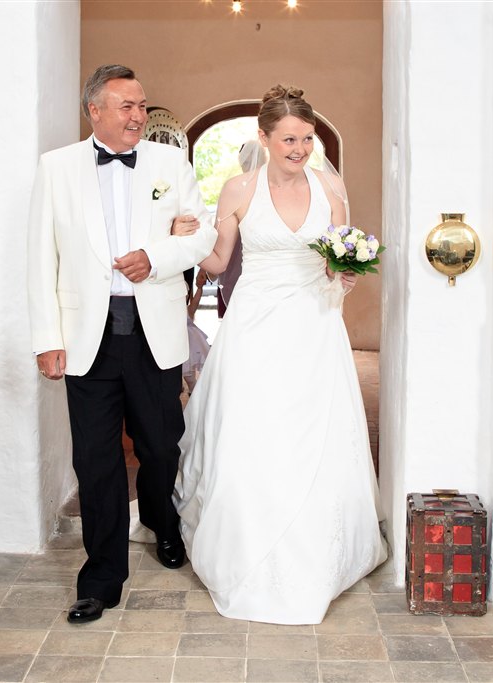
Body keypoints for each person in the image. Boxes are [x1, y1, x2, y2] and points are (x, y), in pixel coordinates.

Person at [172, 85, 387, 624]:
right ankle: (249, 537)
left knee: (314, 428)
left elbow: (337, 258)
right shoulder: (238, 189)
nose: (300, 149)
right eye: (289, 139)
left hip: (314, 324)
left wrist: (346, 272)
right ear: (264, 138)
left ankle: (319, 545)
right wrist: (184, 239)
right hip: (254, 326)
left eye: (307, 139)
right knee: (255, 426)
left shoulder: (330, 187)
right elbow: (218, 262)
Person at [27, 64, 216, 624]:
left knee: (160, 445)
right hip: (86, 336)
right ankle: (101, 578)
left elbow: (202, 234)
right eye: (126, 106)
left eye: (141, 105)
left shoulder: (169, 163)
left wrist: (156, 257)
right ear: (95, 110)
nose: (138, 116)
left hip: (153, 329)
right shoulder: (56, 167)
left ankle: (161, 521)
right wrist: (47, 338)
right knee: (96, 460)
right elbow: (40, 259)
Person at [215, 140, 264, 316]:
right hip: (235, 249)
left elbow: (219, 233)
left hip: (244, 249)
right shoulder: (234, 188)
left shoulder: (235, 189)